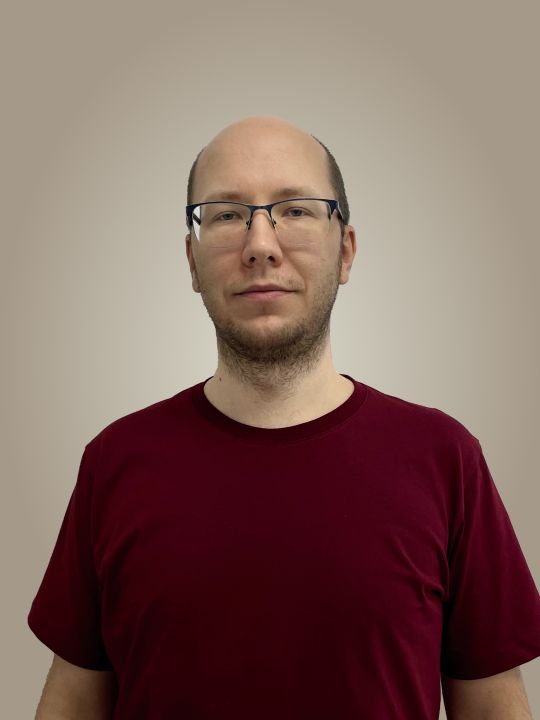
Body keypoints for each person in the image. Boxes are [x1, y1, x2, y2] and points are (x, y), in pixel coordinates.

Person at [28, 115, 540, 719]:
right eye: (226, 215)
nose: (260, 245)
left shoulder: (444, 458)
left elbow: (495, 709)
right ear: (191, 262)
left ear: (345, 251)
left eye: (295, 210)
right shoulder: (115, 462)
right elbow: (71, 704)